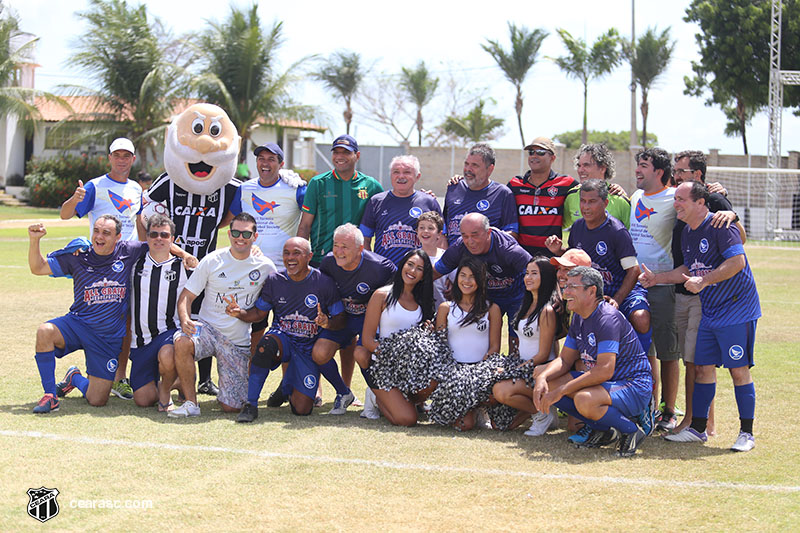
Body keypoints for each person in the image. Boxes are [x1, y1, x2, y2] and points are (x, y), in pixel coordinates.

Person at [642, 181, 761, 452]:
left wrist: (704, 281)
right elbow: (687, 267)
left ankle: (746, 433)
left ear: (701, 203)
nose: (676, 204)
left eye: (682, 199)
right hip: (711, 310)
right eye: (676, 200)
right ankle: (697, 428)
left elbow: (737, 262)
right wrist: (657, 278)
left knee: (738, 370)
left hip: (736, 309)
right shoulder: (687, 232)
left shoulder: (721, 226)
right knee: (703, 368)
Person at [146, 103, 244, 397]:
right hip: (171, 263)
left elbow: (232, 217)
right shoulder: (167, 181)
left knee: (204, 317)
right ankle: (160, 373)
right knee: (166, 315)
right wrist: (179, 253)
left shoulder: (229, 185)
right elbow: (150, 221)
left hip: (205, 264)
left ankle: (204, 378)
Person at [27, 215, 147, 413]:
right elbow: (37, 267)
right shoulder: (79, 256)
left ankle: (73, 377)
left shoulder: (128, 250)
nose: (99, 237)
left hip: (106, 338)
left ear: (118, 237)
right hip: (78, 325)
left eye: (106, 233)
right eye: (96, 231)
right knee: (44, 331)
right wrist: (34, 240)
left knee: (97, 399)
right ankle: (50, 396)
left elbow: (158, 244)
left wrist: (185, 256)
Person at [533, 267, 652, 457]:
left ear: (592, 291)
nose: (565, 292)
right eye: (565, 286)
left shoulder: (607, 318)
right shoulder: (579, 317)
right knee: (549, 382)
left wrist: (562, 390)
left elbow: (604, 371)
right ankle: (605, 429)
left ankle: (632, 430)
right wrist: (543, 377)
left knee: (583, 399)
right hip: (607, 385)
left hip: (633, 386)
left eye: (572, 287)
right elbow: (564, 360)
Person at [224, 237, 346, 421]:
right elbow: (259, 312)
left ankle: (286, 385)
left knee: (302, 409)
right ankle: (251, 405)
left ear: (309, 256)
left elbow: (341, 318)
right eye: (286, 253)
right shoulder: (275, 280)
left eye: (296, 253)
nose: (290, 258)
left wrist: (327, 322)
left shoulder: (323, 282)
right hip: (284, 339)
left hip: (308, 347)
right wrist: (239, 312)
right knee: (265, 345)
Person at [59, 137, 144, 399]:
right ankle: (93, 373)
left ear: (132, 159)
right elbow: (65, 214)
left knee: (127, 321)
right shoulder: (96, 186)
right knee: (97, 319)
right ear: (109, 158)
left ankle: (119, 377)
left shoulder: (136, 188)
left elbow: (139, 223)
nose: (121, 159)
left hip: (128, 262)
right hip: (101, 264)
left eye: (126, 155)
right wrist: (75, 198)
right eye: (116, 155)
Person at [169, 213, 277, 417]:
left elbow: (274, 301)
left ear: (255, 236)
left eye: (246, 233)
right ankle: (191, 403)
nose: (240, 238)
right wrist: (185, 319)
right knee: (182, 341)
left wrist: (243, 314)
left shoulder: (266, 267)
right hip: (207, 330)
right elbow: (186, 296)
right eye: (236, 232)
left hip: (236, 340)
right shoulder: (212, 260)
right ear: (229, 233)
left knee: (232, 407)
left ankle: (182, 380)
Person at [670, 150, 744, 434]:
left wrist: (733, 214)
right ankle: (697, 420)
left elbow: (740, 241)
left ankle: (698, 422)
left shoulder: (714, 199)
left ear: (697, 175)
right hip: (683, 288)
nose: (676, 175)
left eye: (681, 171)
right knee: (691, 361)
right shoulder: (681, 197)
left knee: (698, 362)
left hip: (704, 294)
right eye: (675, 170)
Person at [546, 179, 653, 373]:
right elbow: (577, 260)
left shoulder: (616, 230)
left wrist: (617, 300)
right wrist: (559, 250)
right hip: (591, 293)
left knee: (641, 318)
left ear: (605, 203)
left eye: (592, 201)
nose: (586, 207)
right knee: (552, 315)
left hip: (621, 291)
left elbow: (633, 270)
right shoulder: (577, 227)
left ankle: (639, 368)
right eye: (583, 201)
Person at [228, 142, 307, 350]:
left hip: (285, 271)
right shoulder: (245, 189)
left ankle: (289, 380)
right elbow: (231, 222)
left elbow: (311, 218)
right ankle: (251, 372)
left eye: (271, 159)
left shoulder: (295, 188)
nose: (265, 163)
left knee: (288, 329)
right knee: (255, 325)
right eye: (261, 158)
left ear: (281, 164)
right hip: (252, 269)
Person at [315, 224, 396, 414]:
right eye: (336, 245)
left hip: (368, 320)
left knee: (363, 354)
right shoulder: (327, 263)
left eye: (345, 246)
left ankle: (379, 398)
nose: (339, 251)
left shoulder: (381, 267)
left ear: (361, 248)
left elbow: (396, 293)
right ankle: (344, 392)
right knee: (319, 352)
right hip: (342, 318)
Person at [629, 147, 680, 427]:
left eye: (644, 165)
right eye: (638, 164)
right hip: (638, 285)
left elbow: (706, 204)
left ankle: (669, 410)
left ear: (659, 172)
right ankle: (650, 407)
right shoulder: (636, 196)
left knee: (668, 351)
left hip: (664, 284)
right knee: (646, 351)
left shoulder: (675, 198)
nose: (637, 169)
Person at [355, 250, 436, 425]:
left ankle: (400, 400)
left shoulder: (423, 301)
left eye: (419, 269)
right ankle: (377, 397)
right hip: (384, 368)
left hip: (411, 369)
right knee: (407, 419)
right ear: (402, 265)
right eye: (410, 265)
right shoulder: (382, 295)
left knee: (435, 380)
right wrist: (395, 356)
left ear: (423, 276)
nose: (413, 271)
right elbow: (368, 340)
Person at [434, 213, 531, 351]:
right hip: (485, 297)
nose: (470, 241)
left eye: (475, 235)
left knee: (517, 337)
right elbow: (435, 271)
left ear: (488, 232)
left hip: (516, 296)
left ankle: (514, 367)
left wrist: (553, 295)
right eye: (465, 236)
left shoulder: (508, 249)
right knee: (481, 337)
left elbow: (538, 271)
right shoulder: (460, 247)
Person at [491, 257, 562, 435]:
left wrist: (513, 370)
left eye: (534, 274)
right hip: (523, 367)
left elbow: (544, 354)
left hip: (537, 371)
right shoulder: (527, 304)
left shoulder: (547, 311)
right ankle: (544, 410)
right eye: (527, 273)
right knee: (501, 425)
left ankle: (542, 414)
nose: (528, 278)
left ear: (545, 277)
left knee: (501, 391)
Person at [128, 214, 190, 411]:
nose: (159, 239)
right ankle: (177, 380)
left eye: (164, 235)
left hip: (168, 333)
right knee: (143, 400)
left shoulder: (184, 267)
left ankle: (165, 391)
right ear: (146, 237)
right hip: (140, 342)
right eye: (153, 234)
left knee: (168, 352)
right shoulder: (134, 263)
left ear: (173, 239)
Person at [434, 258, 501, 430]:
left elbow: (495, 347)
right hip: (454, 372)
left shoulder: (491, 308)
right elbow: (440, 347)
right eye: (462, 275)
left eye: (472, 276)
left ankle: (480, 407)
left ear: (480, 280)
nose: (467, 281)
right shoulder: (446, 308)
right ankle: (466, 409)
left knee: (497, 419)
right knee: (465, 425)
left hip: (480, 371)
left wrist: (480, 370)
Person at [298, 135, 383, 266]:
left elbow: (387, 214)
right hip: (320, 260)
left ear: (357, 155)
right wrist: (301, 258)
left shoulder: (371, 186)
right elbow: (304, 226)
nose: (339, 157)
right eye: (336, 152)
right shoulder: (318, 183)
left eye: (346, 152)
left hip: (355, 262)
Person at [360, 154, 441, 265]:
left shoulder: (429, 202)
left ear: (417, 176)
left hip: (417, 272)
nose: (401, 176)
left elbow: (440, 239)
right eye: (396, 172)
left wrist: (439, 270)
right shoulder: (376, 201)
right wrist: (370, 266)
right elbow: (365, 239)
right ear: (391, 175)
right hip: (384, 272)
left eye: (407, 172)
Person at [507, 136, 578, 256]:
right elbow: (494, 193)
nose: (534, 156)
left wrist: (614, 188)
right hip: (521, 255)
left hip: (551, 257)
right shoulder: (515, 184)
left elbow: (591, 189)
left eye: (540, 152)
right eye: (531, 152)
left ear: (552, 158)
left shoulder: (566, 183)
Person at [442, 143, 517, 246]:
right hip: (453, 260)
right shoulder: (454, 187)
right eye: (466, 164)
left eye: (475, 165)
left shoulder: (502, 194)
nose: (468, 169)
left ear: (490, 169)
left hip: (485, 260)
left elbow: (512, 234)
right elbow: (443, 230)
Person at [563, 143, 631, 229]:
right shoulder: (571, 196)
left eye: (586, 165)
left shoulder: (619, 200)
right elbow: (557, 225)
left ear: (602, 168)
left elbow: (633, 236)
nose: (580, 170)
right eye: (579, 166)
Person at [416, 210, 450, 308]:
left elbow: (456, 281)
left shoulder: (446, 257)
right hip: (417, 310)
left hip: (441, 310)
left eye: (430, 228)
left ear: (439, 234)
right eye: (421, 228)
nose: (425, 231)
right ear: (417, 231)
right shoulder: (411, 256)